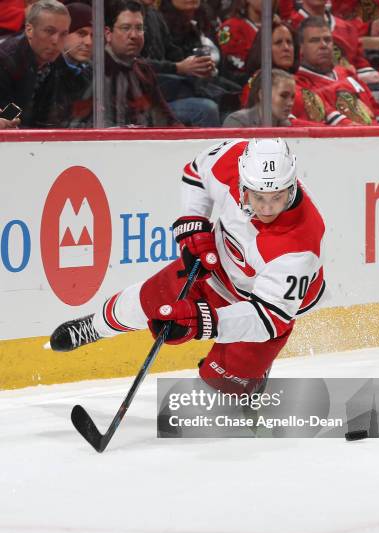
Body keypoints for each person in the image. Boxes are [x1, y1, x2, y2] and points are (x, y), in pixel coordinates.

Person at [50, 138, 326, 396]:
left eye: (277, 197)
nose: (267, 208)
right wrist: (195, 226)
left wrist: (204, 321)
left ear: (291, 188)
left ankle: (252, 374)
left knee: (221, 395)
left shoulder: (298, 246)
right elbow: (196, 173)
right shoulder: (231, 160)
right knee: (143, 302)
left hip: (262, 305)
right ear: (243, 184)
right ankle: (96, 326)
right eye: (258, 197)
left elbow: (269, 319)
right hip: (215, 268)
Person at [296, 17, 379, 125]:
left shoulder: (348, 74)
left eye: (327, 40)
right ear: (301, 47)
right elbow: (328, 119)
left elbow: (378, 111)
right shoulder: (299, 83)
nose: (323, 45)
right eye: (314, 41)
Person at [104, 0, 179, 127]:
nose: (134, 35)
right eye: (125, 28)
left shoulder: (143, 70)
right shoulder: (96, 70)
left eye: (139, 28)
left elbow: (166, 120)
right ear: (108, 34)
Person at [0, 0, 71, 128]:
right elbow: (7, 114)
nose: (56, 41)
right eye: (49, 31)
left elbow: (54, 116)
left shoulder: (57, 62)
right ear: (29, 30)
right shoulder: (6, 61)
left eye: (63, 34)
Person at [223, 68, 315, 126]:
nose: (290, 103)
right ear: (263, 95)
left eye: (292, 97)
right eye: (284, 96)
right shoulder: (237, 122)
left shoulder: (285, 125)